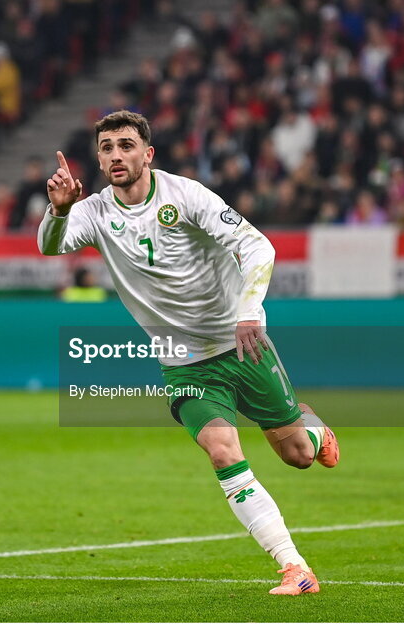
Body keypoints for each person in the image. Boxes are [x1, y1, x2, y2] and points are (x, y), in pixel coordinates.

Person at [38, 111, 339, 596]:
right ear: (98, 158)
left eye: (126, 145)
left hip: (242, 345)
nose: (117, 155)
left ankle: (309, 424)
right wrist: (57, 210)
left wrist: (250, 311)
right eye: (107, 147)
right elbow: (51, 246)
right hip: (182, 361)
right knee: (223, 451)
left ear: (147, 154)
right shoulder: (92, 211)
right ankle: (294, 567)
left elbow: (258, 248)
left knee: (299, 456)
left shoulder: (187, 195)